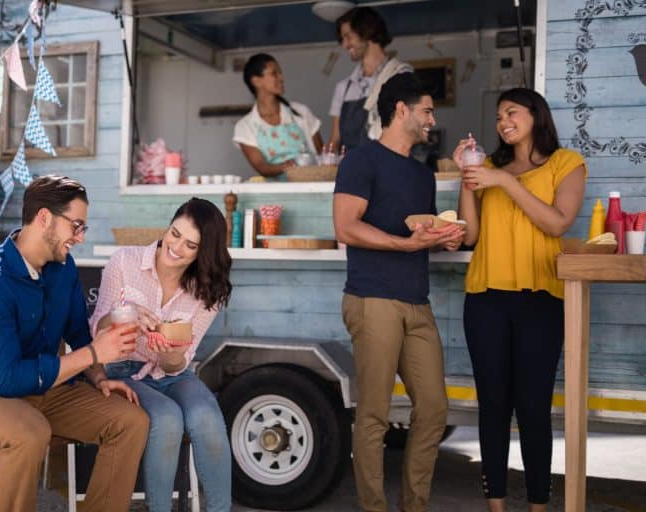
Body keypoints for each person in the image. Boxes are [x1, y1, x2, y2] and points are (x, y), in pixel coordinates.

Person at [0, 175, 149, 512]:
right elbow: (7, 379)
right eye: (76, 226)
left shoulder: (63, 269)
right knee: (30, 432)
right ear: (44, 218)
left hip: (49, 387)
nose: (79, 238)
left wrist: (97, 375)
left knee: (131, 421)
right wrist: (94, 353)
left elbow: (79, 332)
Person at [333, 73, 465, 512]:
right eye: (427, 110)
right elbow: (346, 226)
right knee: (373, 415)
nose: (432, 119)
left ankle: (415, 506)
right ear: (402, 110)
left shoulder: (421, 173)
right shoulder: (360, 160)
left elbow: (417, 228)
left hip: (416, 302)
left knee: (433, 409)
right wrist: (406, 243)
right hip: (373, 300)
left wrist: (438, 237)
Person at [453, 88, 586, 512]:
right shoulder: (488, 168)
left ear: (535, 115)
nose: (502, 121)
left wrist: (504, 182)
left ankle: (538, 506)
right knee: (493, 407)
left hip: (540, 301)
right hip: (485, 300)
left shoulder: (566, 164)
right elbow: (469, 236)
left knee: (532, 408)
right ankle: (496, 506)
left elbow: (557, 222)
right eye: (497, 116)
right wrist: (467, 179)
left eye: (511, 112)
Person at [90, 197, 233, 512]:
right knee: (168, 419)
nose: (176, 247)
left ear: (203, 253)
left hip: (171, 373)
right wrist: (124, 314)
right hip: (121, 369)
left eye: (190, 245)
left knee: (207, 417)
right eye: (175, 233)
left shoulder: (207, 292)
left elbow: (178, 363)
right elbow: (96, 329)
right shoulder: (125, 262)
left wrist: (169, 354)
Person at [329, 6, 412, 151]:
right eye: (342, 39)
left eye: (348, 36)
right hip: (353, 170)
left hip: (387, 169)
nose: (344, 44)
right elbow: (335, 140)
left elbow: (408, 131)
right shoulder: (343, 88)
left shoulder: (401, 74)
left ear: (367, 31)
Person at [233, 53, 323, 178]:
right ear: (256, 81)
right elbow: (261, 166)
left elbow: (321, 153)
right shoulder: (245, 126)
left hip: (312, 186)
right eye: (274, 73)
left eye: (280, 73)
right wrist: (289, 166)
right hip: (277, 192)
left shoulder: (301, 112)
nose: (281, 78)